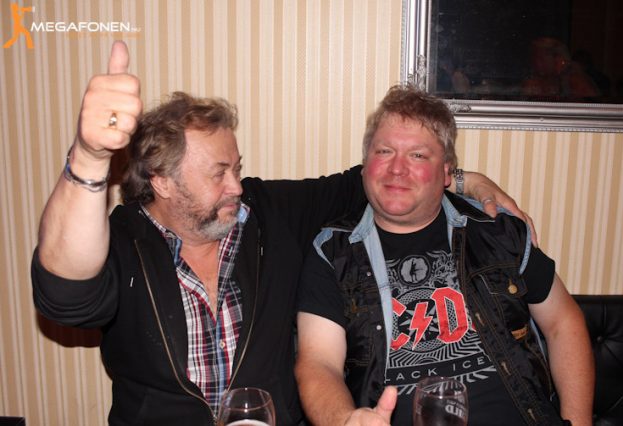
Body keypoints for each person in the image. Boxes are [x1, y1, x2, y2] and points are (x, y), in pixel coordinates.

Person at [31, 41, 532, 426]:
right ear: (160, 181)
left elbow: (377, 178)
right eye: (219, 173)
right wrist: (90, 157)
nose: (237, 186)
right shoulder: (121, 240)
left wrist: (463, 180)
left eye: (237, 168)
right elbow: (65, 296)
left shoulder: (269, 214)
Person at [295, 84, 594, 425]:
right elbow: (318, 363)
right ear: (365, 165)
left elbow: (563, 322)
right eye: (384, 151)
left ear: (448, 172)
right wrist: (344, 420)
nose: (397, 168)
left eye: (418, 156)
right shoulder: (332, 252)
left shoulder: (497, 231)